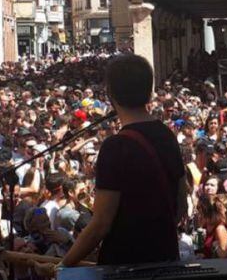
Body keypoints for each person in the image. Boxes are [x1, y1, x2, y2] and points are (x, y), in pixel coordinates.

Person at [61, 55, 186, 267]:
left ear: (111, 95)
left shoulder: (115, 147)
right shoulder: (168, 136)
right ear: (149, 92)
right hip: (166, 258)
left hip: (124, 268)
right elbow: (181, 206)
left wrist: (63, 266)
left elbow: (101, 224)